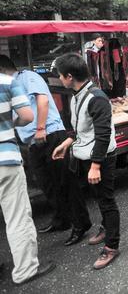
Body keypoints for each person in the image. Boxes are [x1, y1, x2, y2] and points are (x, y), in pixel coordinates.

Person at [51, 53, 121, 270]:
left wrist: (96, 166)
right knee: (98, 197)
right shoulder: (77, 96)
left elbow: (102, 135)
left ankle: (112, 245)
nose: (60, 80)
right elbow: (81, 129)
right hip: (86, 157)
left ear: (70, 76)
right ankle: (105, 228)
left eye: (61, 76)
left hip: (100, 159)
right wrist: (67, 143)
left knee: (107, 201)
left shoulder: (96, 98)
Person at [0, 56, 71, 235]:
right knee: (45, 183)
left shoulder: (27, 77)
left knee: (61, 180)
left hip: (49, 134)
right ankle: (61, 218)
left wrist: (40, 128)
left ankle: (76, 223)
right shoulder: (8, 87)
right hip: (32, 141)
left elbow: (43, 100)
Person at [0, 65, 56, 284]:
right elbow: (26, 115)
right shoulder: (6, 81)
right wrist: (8, 124)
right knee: (16, 217)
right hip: (5, 159)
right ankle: (25, 270)